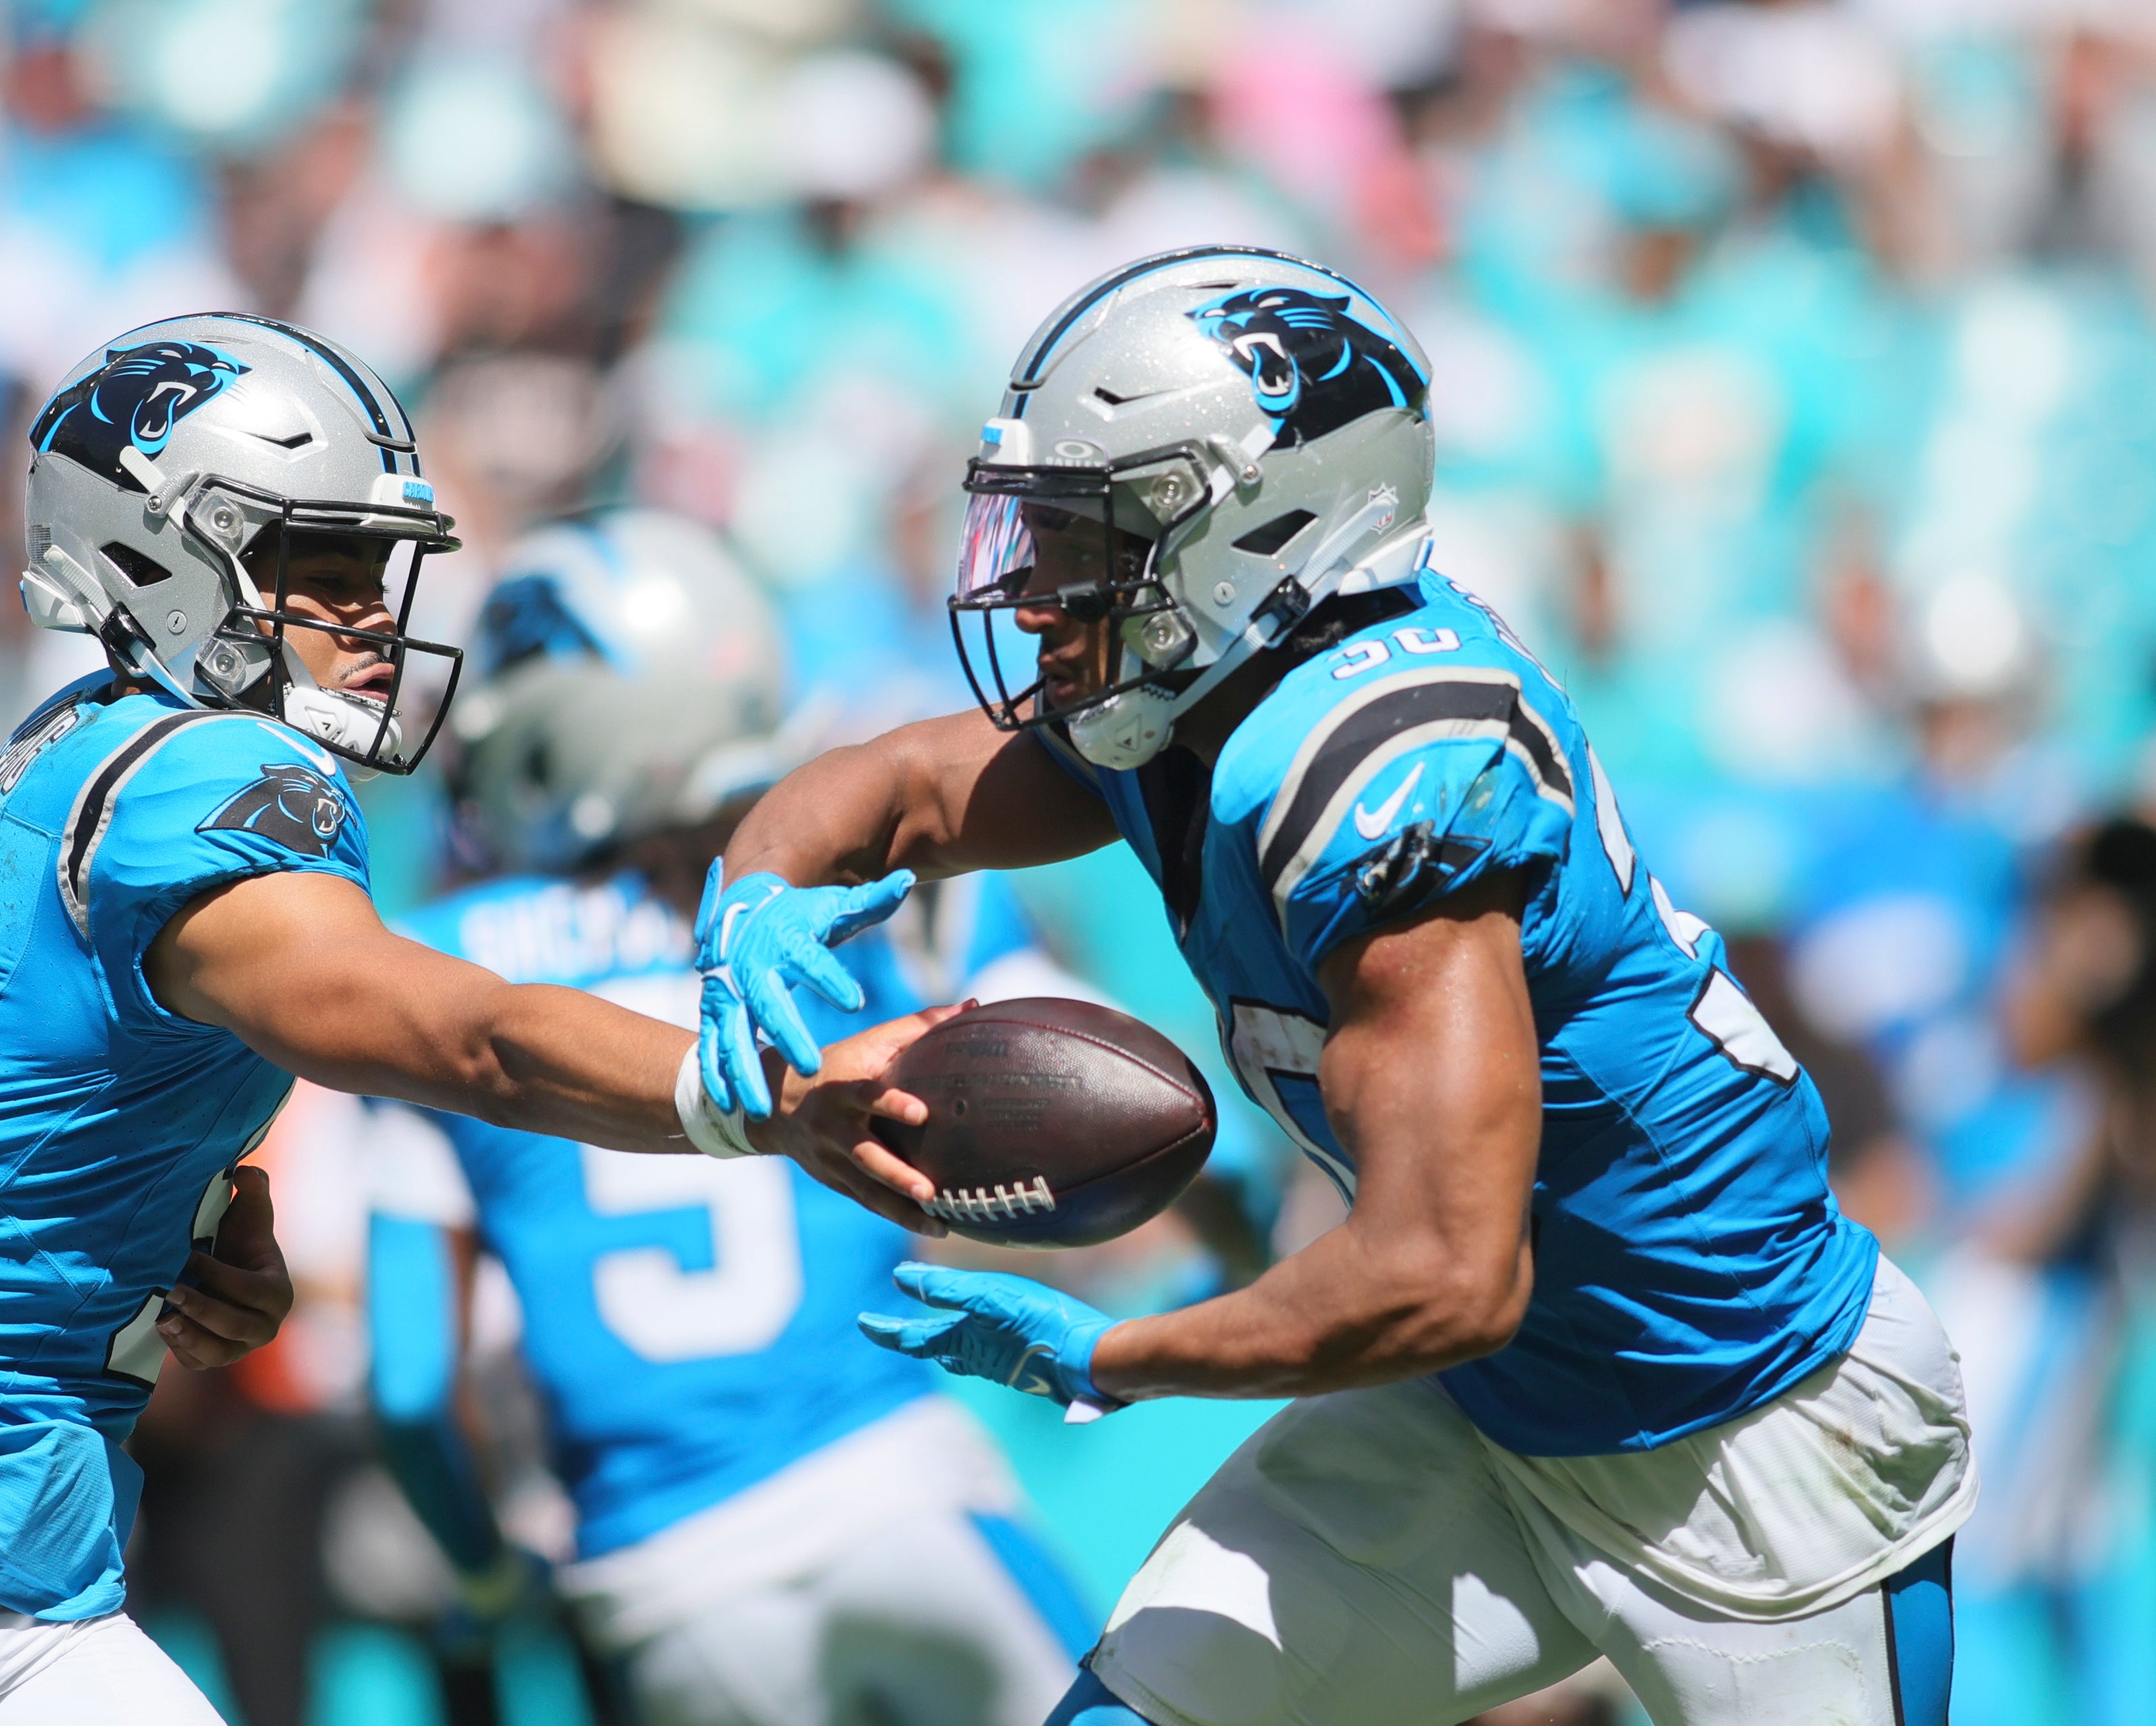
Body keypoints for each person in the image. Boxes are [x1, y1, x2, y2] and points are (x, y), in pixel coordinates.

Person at [0, 315, 942, 1726]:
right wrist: (754, 1091)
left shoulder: (152, 757)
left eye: (375, 569)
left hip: (32, 1566)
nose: (376, 615)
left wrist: (183, 1240)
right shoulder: (192, 770)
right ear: (162, 557)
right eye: (320, 565)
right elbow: (458, 1034)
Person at [688, 249, 1977, 1726]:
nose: (1038, 592)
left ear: (1252, 526)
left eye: (1087, 537)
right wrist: (753, 901)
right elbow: (905, 787)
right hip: (1482, 1413)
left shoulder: (1386, 765)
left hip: (1740, 1432)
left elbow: (1446, 1273)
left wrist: (1113, 1356)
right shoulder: (1196, 694)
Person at [364, 509, 1098, 1726]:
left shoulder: (449, 972)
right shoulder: (881, 905)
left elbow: (407, 1385)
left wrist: (488, 1578)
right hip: (898, 1493)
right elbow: (1199, 1147)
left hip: (662, 1585)